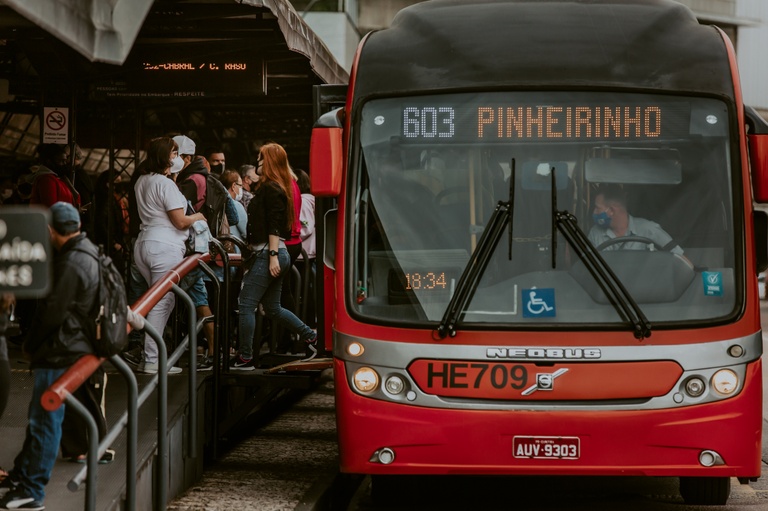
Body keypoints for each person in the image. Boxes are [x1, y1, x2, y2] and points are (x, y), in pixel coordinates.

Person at [0, 202, 101, 511]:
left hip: (59, 351)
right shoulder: (89, 253)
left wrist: (29, 345)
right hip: (74, 346)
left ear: (51, 230)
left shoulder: (69, 264)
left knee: (45, 421)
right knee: (39, 419)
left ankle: (32, 490)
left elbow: (51, 315)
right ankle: (23, 474)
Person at [232, 143, 318, 370]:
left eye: (260, 158)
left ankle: (246, 357)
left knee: (246, 304)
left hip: (269, 253)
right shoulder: (276, 187)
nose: (257, 161)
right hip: (273, 253)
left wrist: (271, 256)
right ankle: (311, 337)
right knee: (272, 308)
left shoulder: (272, 188)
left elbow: (274, 226)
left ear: (268, 161)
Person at [133, 137, 206, 375]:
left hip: (144, 243)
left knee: (153, 299)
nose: (177, 159)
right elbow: (180, 221)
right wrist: (199, 217)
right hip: (165, 246)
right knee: (162, 302)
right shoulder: (166, 185)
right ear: (165, 157)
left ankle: (148, 357)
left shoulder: (142, 181)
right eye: (174, 154)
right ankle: (153, 360)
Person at [587, 184, 683, 255]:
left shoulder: (649, 230)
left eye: (597, 208)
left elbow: (679, 258)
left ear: (611, 210)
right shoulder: (595, 233)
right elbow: (586, 267)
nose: (594, 213)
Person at [29, 143, 81, 209]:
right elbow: (51, 208)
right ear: (49, 161)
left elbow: (76, 199)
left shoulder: (58, 178)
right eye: (61, 161)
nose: (64, 164)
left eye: (65, 161)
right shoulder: (46, 180)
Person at [295, 169, 316, 328]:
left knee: (302, 293)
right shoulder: (311, 200)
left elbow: (305, 227)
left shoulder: (303, 201)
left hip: (303, 254)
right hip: (308, 253)